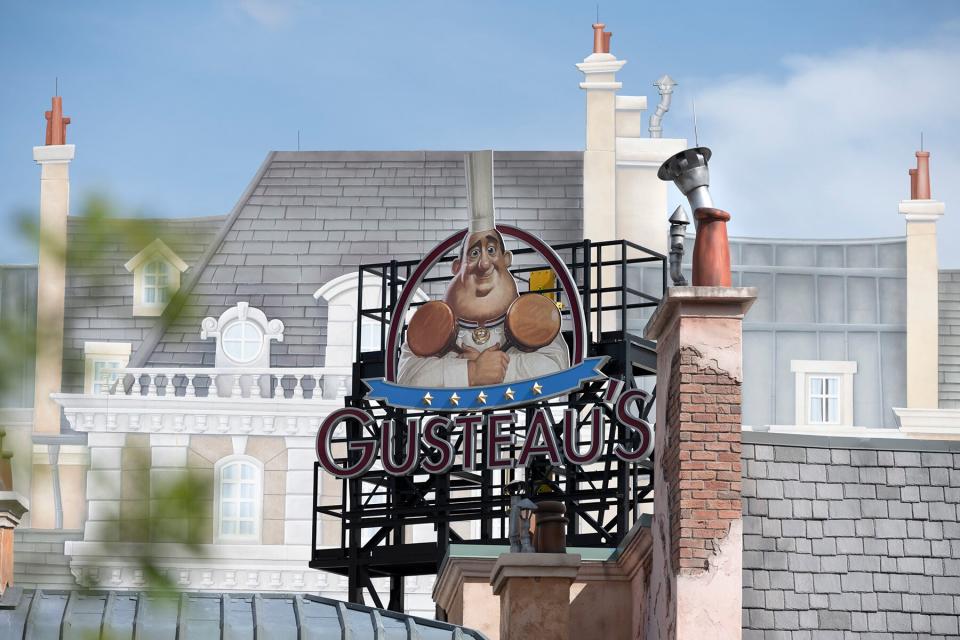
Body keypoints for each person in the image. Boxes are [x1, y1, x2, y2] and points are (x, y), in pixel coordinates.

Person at [396, 151, 569, 388]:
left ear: (506, 259)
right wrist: (471, 372)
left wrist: (496, 369)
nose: (484, 264)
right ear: (457, 267)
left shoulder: (533, 317)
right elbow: (407, 377)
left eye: (491, 251)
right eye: (474, 253)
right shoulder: (430, 326)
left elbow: (556, 367)